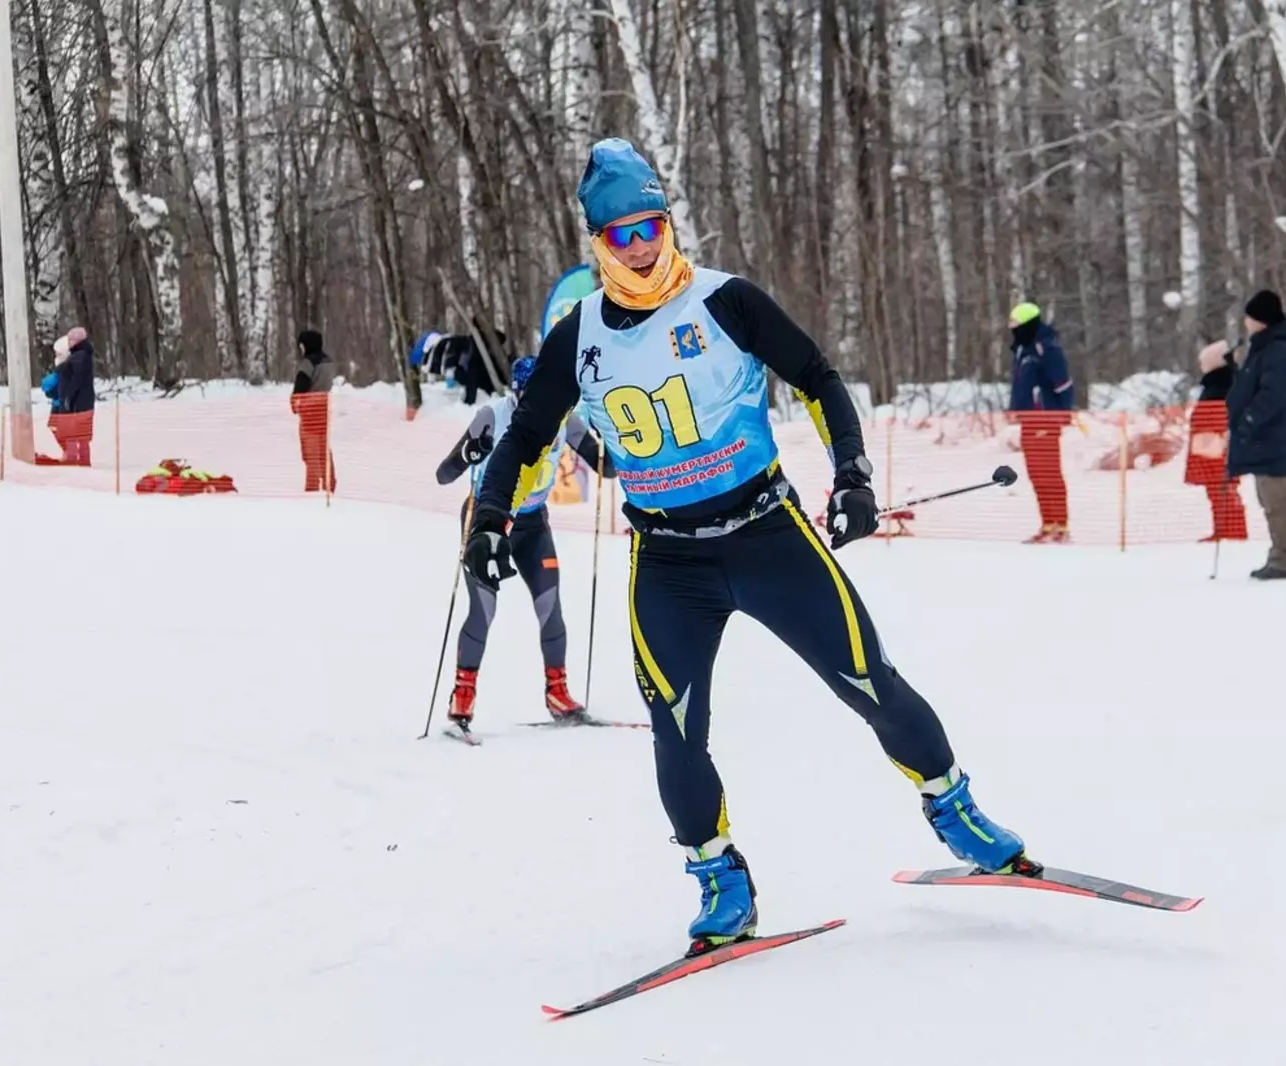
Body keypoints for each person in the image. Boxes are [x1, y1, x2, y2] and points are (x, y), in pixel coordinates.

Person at [465, 138, 1027, 953]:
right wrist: (488, 521)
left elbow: (820, 376)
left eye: (653, 226)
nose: (643, 247)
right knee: (676, 727)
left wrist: (855, 477)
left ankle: (955, 808)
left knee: (868, 680)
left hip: (768, 534)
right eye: (622, 235)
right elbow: (522, 440)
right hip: (667, 561)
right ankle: (718, 876)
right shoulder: (576, 335)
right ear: (597, 243)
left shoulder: (725, 300)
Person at [436, 355, 616, 726]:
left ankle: (557, 692)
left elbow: (605, 466)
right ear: (516, 393)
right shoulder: (493, 415)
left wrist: (609, 432)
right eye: (527, 397)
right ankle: (463, 694)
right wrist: (471, 453)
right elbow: (444, 474)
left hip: (533, 523)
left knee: (550, 608)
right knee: (483, 611)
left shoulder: (564, 418)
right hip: (487, 524)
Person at [1226, 291, 1286, 580]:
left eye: (1249, 316)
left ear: (1261, 319)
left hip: (1274, 438)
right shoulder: (1266, 347)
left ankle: (1284, 558)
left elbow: (1274, 394)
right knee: (1270, 499)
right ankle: (1280, 554)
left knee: (1278, 501)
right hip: (1268, 439)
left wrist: (1250, 419)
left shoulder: (1279, 350)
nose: (1246, 322)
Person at [1007, 302, 1075, 543]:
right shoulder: (1022, 350)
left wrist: (1063, 412)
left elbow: (1063, 383)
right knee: (1036, 473)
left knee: (1049, 473)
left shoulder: (1045, 347)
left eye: (1015, 325)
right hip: (1029, 420)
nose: (1012, 330)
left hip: (1046, 418)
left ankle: (1061, 526)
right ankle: (1047, 524)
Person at [1185, 341, 1246, 542]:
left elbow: (1219, 413)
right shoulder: (1225, 380)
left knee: (1221, 486)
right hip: (1213, 440)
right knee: (1218, 487)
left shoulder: (1220, 383)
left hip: (1215, 441)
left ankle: (1230, 530)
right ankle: (1225, 528)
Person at [291, 329, 336, 493]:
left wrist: (295, 403)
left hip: (310, 414)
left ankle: (312, 489)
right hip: (324, 410)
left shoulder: (308, 364)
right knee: (324, 450)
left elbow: (300, 390)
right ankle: (329, 484)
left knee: (310, 455)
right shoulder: (328, 362)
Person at [53, 327, 96, 465]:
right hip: (81, 399)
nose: (69, 342)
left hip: (78, 400)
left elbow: (76, 378)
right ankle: (81, 458)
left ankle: (76, 457)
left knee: (74, 428)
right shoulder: (79, 354)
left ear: (77, 341)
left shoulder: (80, 356)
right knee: (79, 429)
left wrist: (69, 396)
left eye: (71, 339)